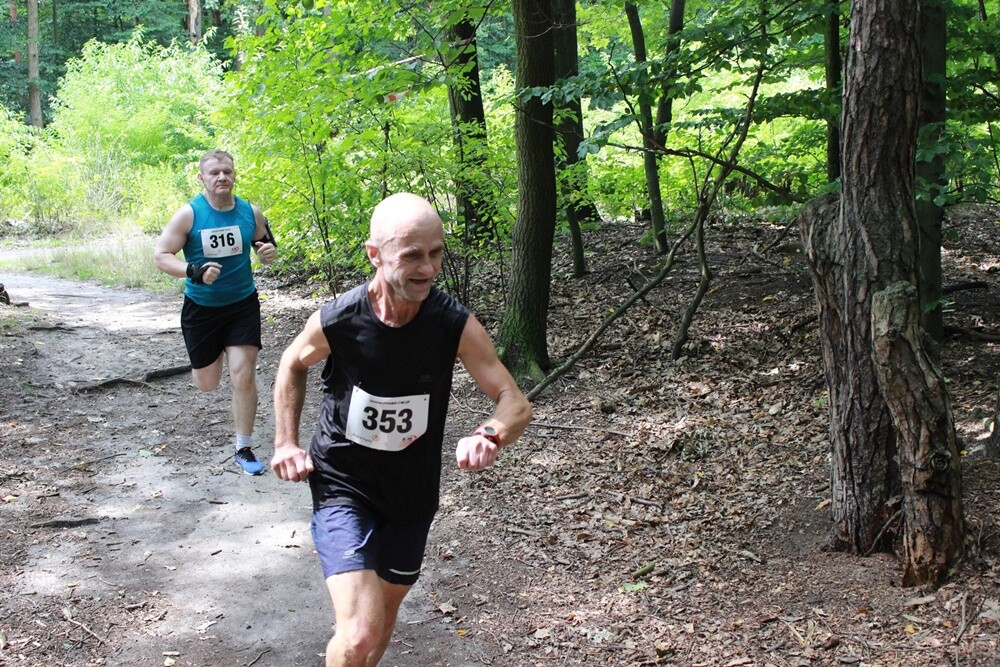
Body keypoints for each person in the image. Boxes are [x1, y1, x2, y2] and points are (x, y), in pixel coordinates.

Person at [271, 192, 532, 667]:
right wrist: (285, 442)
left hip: (411, 493)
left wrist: (489, 434)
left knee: (381, 623)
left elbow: (514, 400)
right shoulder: (340, 319)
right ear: (375, 254)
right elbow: (292, 363)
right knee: (359, 633)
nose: (428, 268)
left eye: (435, 253)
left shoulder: (452, 324)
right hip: (343, 484)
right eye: (412, 255)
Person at [153, 150, 277, 476]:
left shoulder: (251, 212)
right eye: (214, 173)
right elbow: (161, 255)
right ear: (202, 178)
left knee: (243, 372)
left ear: (234, 175)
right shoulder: (189, 215)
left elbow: (265, 243)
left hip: (242, 305)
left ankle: (243, 447)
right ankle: (215, 354)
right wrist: (193, 270)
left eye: (227, 171)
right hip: (202, 310)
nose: (222, 177)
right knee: (207, 383)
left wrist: (267, 251)